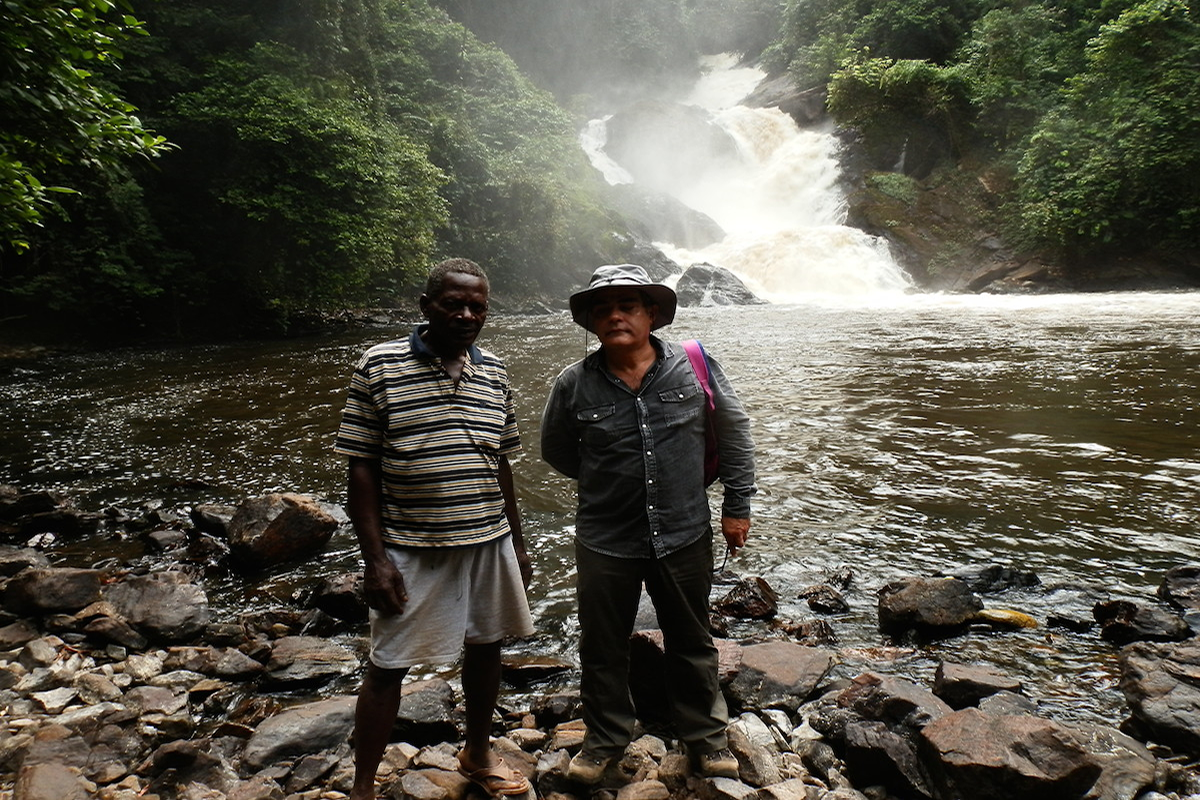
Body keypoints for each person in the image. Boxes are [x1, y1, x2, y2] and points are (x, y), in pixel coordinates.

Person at [540, 263, 756, 783]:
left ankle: (706, 736)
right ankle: (604, 741)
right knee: (602, 644)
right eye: (603, 309)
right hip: (605, 538)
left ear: (652, 314)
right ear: (591, 321)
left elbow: (734, 432)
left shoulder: (695, 365)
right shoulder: (573, 384)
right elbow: (557, 450)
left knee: (692, 638)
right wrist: (613, 481)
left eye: (627, 306)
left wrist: (737, 504)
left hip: (684, 532)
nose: (615, 316)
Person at [334, 258, 535, 800]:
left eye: (478, 306)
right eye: (455, 303)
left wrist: (518, 541)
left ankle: (477, 752)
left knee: (487, 646)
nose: (467, 314)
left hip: (488, 540)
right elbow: (361, 466)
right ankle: (362, 787)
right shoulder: (379, 365)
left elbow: (502, 463)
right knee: (387, 665)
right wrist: (375, 559)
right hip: (411, 546)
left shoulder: (493, 370)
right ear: (427, 307)